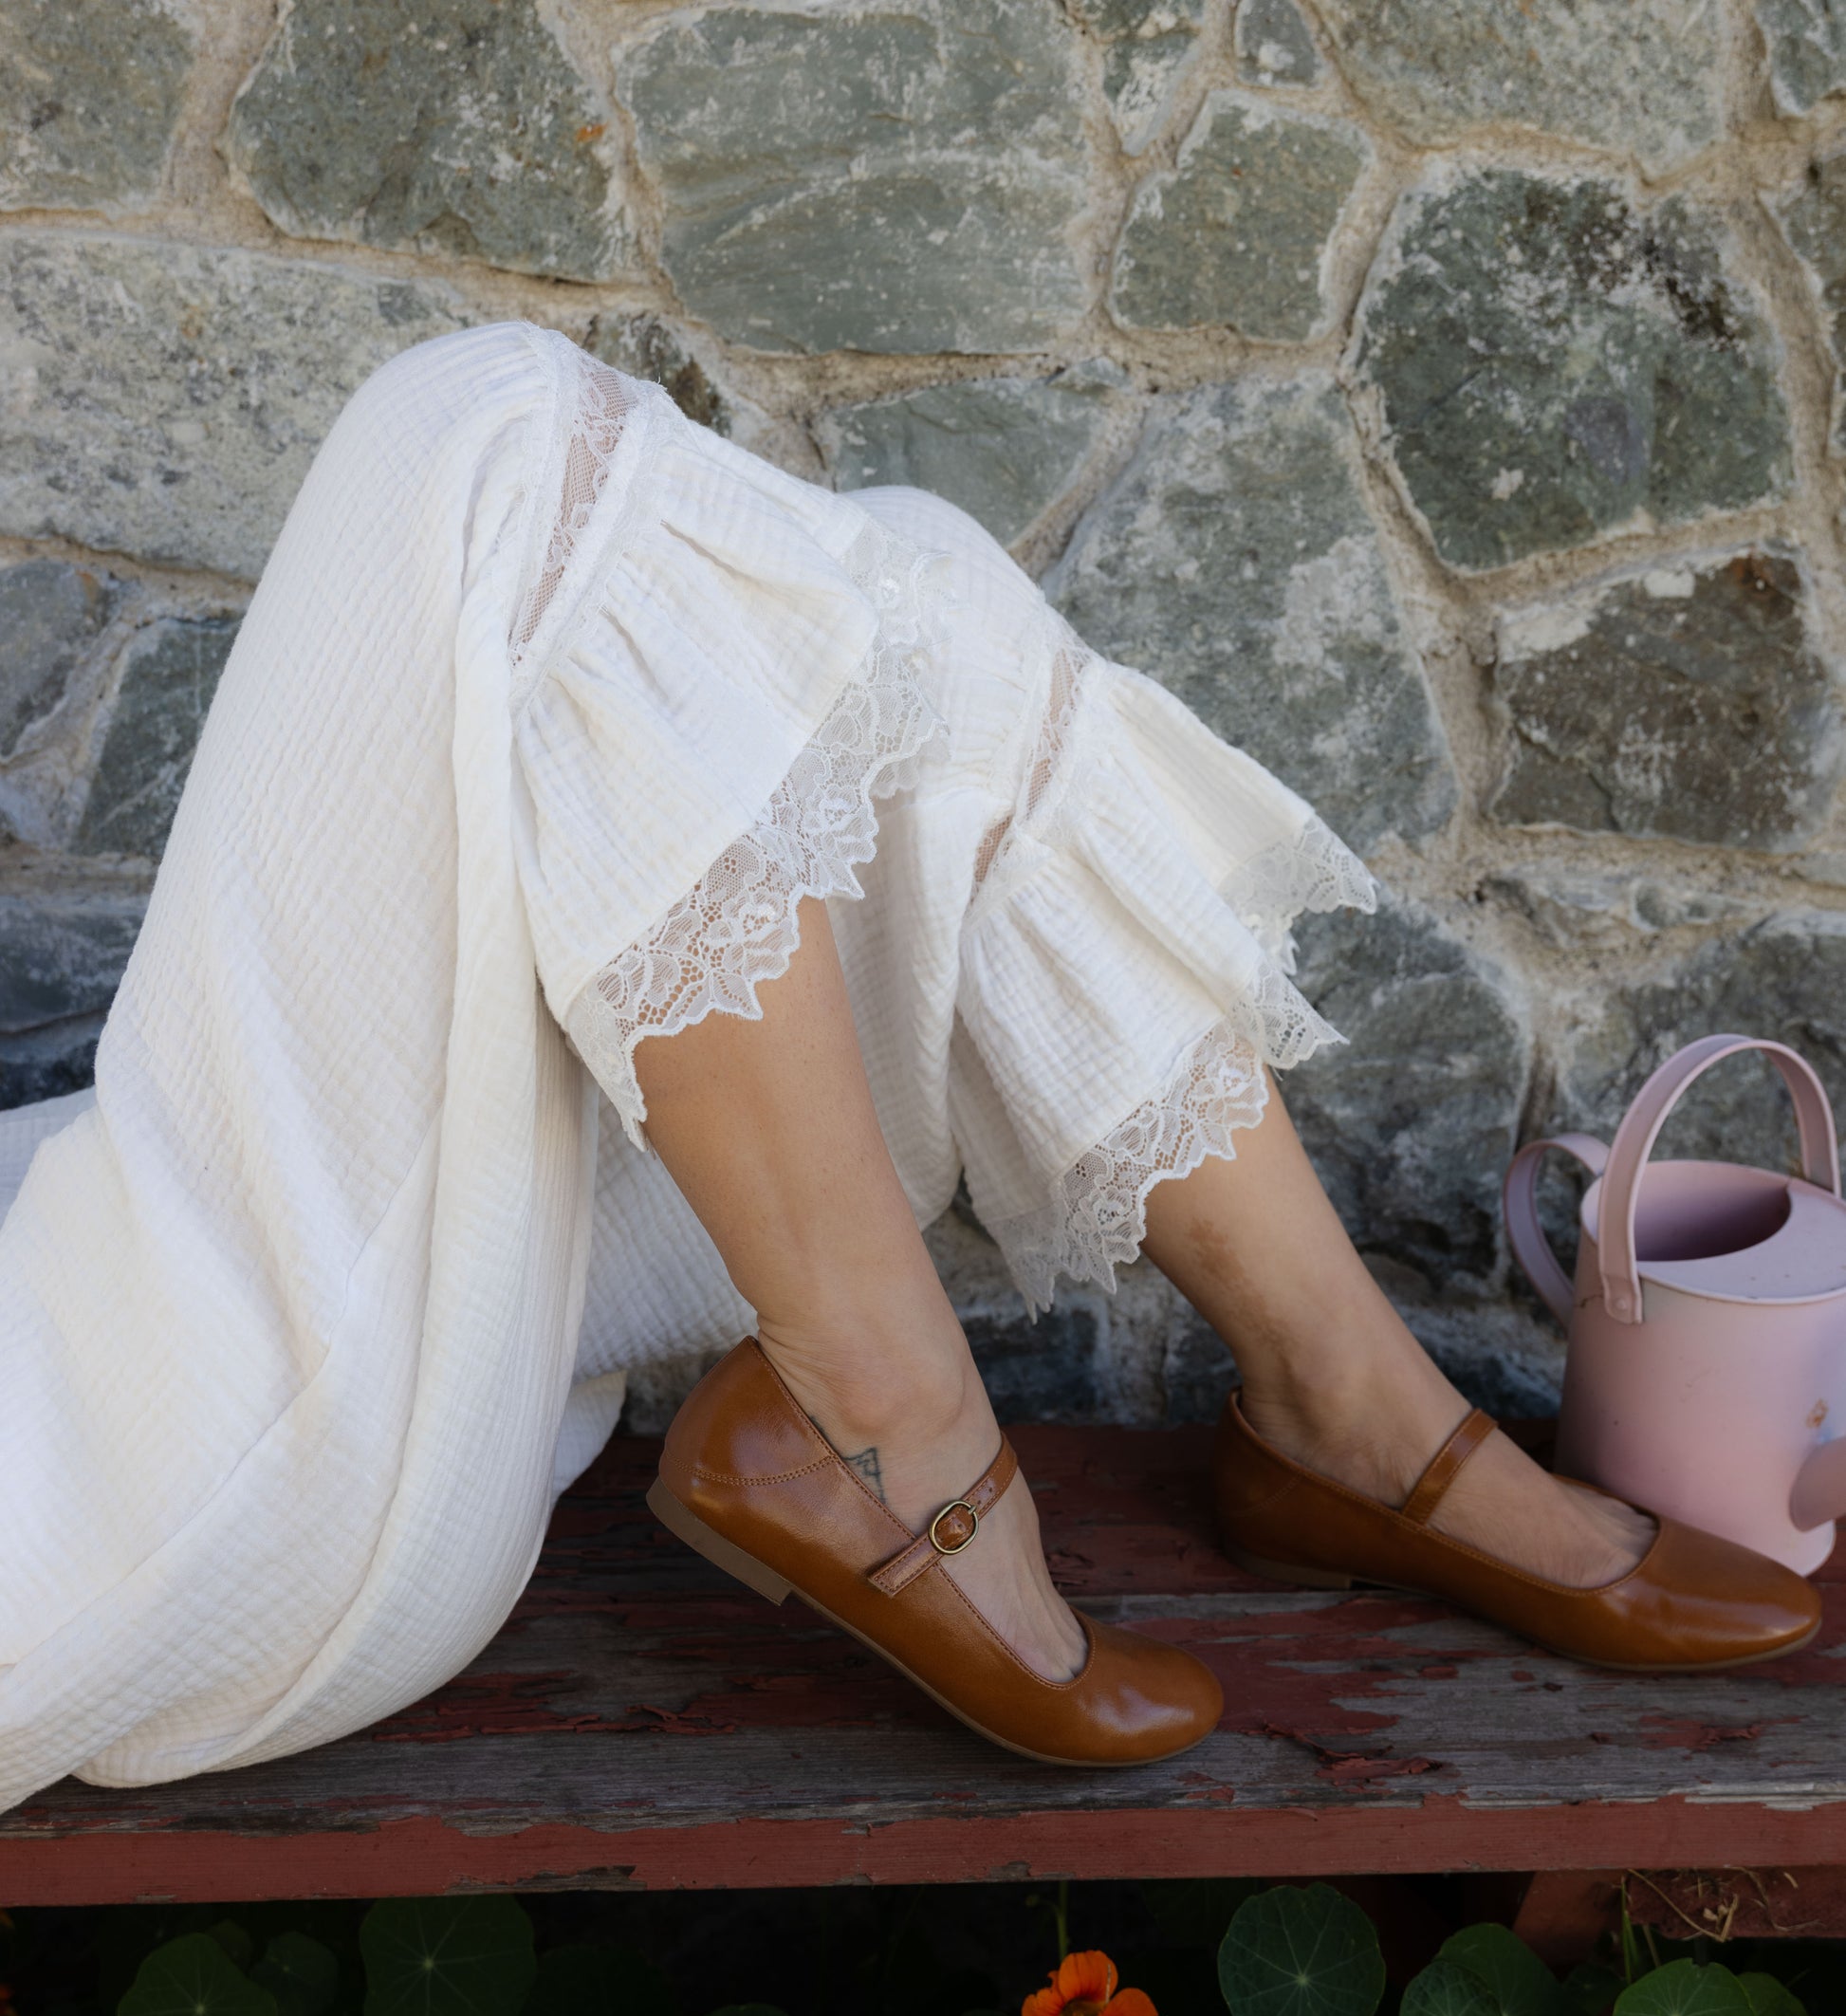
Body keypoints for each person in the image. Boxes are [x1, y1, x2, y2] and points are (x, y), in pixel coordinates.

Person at [0, 325, 1816, 1809]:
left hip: (376, 1326)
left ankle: (1349, 1411)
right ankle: (888, 1419)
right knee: (490, 443)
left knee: (922, 608)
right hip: (187, 1440)